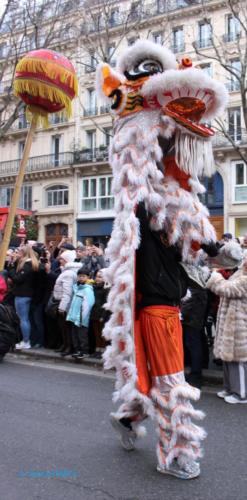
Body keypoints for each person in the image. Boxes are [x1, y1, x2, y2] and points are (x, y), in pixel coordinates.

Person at [206, 254, 247, 404]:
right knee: (227, 359)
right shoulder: (240, 274)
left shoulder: (244, 279)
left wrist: (215, 276)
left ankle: (241, 394)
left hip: (240, 325)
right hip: (231, 324)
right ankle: (230, 388)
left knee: (238, 361)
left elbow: (227, 288)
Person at [181, 264, 210, 389]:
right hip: (196, 317)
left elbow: (188, 303)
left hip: (192, 318)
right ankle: (200, 367)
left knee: (193, 343)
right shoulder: (200, 281)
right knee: (198, 341)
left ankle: (196, 374)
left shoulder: (194, 285)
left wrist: (181, 315)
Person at [8, 245, 39, 349]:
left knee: (23, 319)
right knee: (25, 319)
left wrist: (11, 268)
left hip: (23, 295)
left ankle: (26, 342)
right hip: (26, 294)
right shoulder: (30, 263)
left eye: (19, 252)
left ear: (23, 253)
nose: (17, 253)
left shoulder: (27, 265)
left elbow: (17, 279)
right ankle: (25, 340)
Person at [52, 250, 81, 356]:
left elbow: (67, 292)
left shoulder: (68, 273)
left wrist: (62, 307)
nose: (60, 261)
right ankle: (65, 345)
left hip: (64, 304)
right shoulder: (67, 271)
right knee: (63, 327)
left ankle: (69, 347)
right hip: (63, 302)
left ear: (67, 260)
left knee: (65, 327)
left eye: (62, 259)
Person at [66, 266, 95, 360]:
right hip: (74, 317)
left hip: (81, 318)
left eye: (83, 276)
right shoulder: (77, 288)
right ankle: (77, 350)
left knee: (82, 336)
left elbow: (88, 305)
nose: (81, 278)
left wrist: (81, 317)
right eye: (79, 276)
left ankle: (84, 351)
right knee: (74, 335)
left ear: (88, 277)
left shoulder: (87, 289)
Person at [89, 270, 109, 357]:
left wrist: (103, 316)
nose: (98, 278)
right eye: (97, 276)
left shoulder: (106, 289)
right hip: (94, 313)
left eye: (100, 277)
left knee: (102, 334)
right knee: (96, 333)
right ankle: (97, 350)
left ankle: (102, 350)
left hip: (101, 314)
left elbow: (106, 303)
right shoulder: (93, 287)